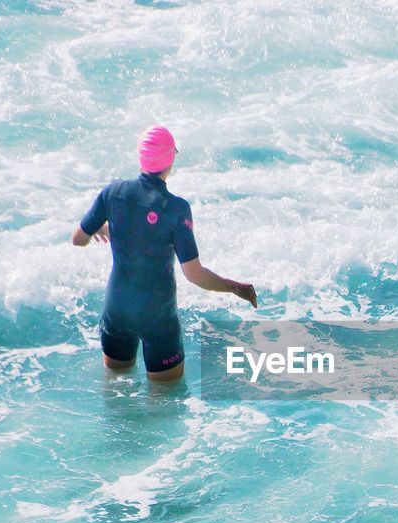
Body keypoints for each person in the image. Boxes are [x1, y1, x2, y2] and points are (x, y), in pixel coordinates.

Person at [71, 125, 258, 382]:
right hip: (158, 319)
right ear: (170, 159)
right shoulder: (176, 209)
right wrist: (236, 288)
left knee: (116, 399)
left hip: (117, 310)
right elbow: (194, 274)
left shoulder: (111, 193)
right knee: (164, 410)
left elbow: (78, 239)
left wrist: (101, 229)